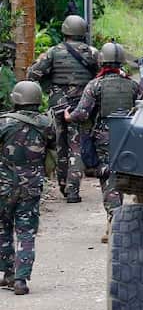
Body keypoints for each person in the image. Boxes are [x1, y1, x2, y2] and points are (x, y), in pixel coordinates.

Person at [66, 42, 141, 241]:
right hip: (128, 137)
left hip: (103, 138)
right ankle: (119, 219)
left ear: (101, 61)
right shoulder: (132, 85)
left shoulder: (95, 85)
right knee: (122, 173)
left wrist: (68, 116)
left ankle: (114, 220)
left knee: (108, 178)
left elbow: (81, 114)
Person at [27, 14, 99, 203]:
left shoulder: (53, 52)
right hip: (83, 105)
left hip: (58, 104)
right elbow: (101, 77)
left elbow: (32, 74)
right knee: (77, 146)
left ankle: (63, 186)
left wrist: (48, 88)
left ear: (65, 30)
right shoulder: (92, 53)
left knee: (61, 145)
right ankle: (73, 191)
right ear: (83, 31)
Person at [0, 81, 55, 295]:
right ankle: (21, 280)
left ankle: (8, 274)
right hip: (31, 185)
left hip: (4, 184)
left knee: (3, 227)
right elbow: (54, 148)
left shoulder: (4, 122)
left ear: (16, 98)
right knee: (26, 231)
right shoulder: (45, 123)